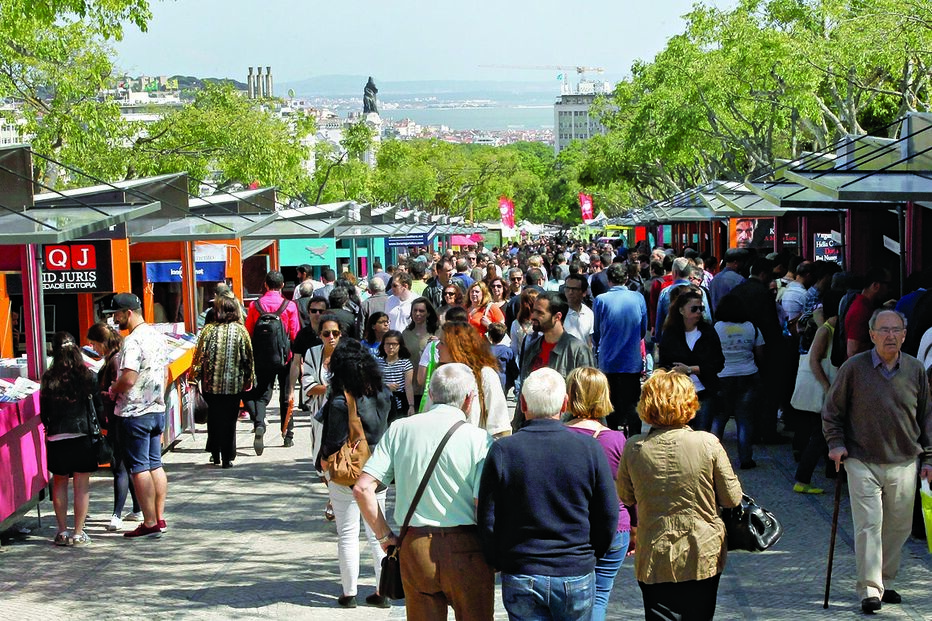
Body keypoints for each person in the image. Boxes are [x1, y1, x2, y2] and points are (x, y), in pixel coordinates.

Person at [354, 364, 496, 621]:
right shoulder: (480, 440)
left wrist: (384, 536)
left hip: (415, 545)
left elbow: (363, 488)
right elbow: (481, 505)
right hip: (467, 548)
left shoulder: (400, 429)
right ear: (468, 399)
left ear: (430, 394)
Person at [477, 367, 618, 621]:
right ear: (564, 404)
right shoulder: (589, 448)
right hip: (574, 567)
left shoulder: (503, 451)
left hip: (523, 568)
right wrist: (591, 553)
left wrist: (496, 558)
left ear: (522, 403)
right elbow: (607, 513)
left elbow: (487, 517)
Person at [822, 308, 932, 613]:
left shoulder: (915, 369)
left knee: (898, 527)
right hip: (861, 458)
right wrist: (835, 444)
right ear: (872, 335)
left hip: (904, 459)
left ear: (905, 335)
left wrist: (929, 458)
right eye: (884, 330)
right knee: (869, 524)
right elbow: (832, 411)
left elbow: (927, 417)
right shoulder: (854, 368)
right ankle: (869, 589)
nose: (891, 336)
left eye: (896, 330)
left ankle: (885, 579)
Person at [617, 370, 743, 621]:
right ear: (689, 403)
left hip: (655, 553)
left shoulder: (634, 447)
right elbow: (732, 498)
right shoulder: (707, 443)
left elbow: (625, 496)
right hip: (701, 552)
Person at [316, 339, 392, 609]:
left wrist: (324, 463)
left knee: (347, 533)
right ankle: (382, 592)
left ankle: (348, 593)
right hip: (378, 471)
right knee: (377, 533)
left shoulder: (340, 400)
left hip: (348, 473)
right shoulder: (383, 393)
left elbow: (332, 443)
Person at [563, 367, 632, 621]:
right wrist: (634, 527)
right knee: (599, 596)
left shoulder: (558, 435)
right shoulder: (616, 440)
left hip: (570, 528)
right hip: (614, 528)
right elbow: (627, 490)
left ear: (569, 395)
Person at [104, 293, 170, 539]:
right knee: (156, 464)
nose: (115, 319)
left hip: (135, 412)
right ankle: (159, 517)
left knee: (139, 467)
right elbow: (166, 372)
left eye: (117, 314)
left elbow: (129, 378)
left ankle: (149, 521)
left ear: (128, 313)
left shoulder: (132, 341)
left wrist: (113, 389)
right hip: (156, 409)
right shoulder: (157, 335)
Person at [41, 332, 102, 546]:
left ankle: (61, 531)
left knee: (59, 482)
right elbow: (97, 407)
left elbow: (44, 412)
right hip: (82, 435)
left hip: (57, 436)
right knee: (81, 485)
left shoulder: (48, 378)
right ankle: (78, 533)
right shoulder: (87, 375)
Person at [86, 322, 140, 532]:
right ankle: (137, 508)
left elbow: (118, 389)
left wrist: (104, 393)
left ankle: (116, 514)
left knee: (119, 466)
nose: (93, 348)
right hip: (118, 416)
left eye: (94, 344)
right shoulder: (115, 357)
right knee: (128, 464)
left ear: (102, 343)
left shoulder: (115, 360)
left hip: (118, 417)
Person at [190, 295, 255, 469]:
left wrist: (193, 378)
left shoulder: (208, 330)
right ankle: (227, 457)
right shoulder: (241, 331)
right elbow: (248, 357)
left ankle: (215, 453)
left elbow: (199, 356)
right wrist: (249, 378)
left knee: (214, 417)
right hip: (234, 385)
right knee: (229, 420)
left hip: (211, 384)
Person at [516, 291, 594, 428]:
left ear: (557, 317)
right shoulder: (531, 348)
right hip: (530, 431)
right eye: (534, 311)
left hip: (565, 433)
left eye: (540, 313)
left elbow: (589, 398)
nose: (533, 316)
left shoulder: (578, 351)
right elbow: (523, 393)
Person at [243, 270, 301, 453]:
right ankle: (287, 434)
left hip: (262, 357)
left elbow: (249, 331)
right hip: (286, 357)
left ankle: (260, 423)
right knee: (286, 394)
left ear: (266, 285)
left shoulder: (255, 305)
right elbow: (295, 333)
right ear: (282, 285)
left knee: (261, 394)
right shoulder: (289, 306)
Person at [791, 289, 842, 493]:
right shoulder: (827, 329)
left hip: (826, 390)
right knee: (820, 435)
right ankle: (802, 479)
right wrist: (827, 387)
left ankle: (815, 475)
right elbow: (814, 360)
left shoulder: (827, 326)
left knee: (820, 433)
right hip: (825, 390)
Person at [659, 285, 724, 433]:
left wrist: (690, 369)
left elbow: (718, 363)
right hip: (679, 393)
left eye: (701, 309)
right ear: (682, 310)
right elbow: (663, 363)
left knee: (702, 434)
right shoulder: (671, 334)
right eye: (694, 309)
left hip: (704, 392)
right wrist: (674, 372)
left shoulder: (708, 332)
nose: (698, 312)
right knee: (679, 434)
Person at [593, 263, 648, 434]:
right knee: (632, 403)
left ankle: (612, 438)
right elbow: (643, 329)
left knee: (610, 403)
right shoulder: (638, 297)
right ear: (626, 278)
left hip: (608, 360)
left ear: (608, 280)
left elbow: (597, 331)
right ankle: (634, 438)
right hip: (631, 361)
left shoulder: (600, 300)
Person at [712, 293, 764, 469]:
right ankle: (745, 459)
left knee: (719, 418)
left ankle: (711, 458)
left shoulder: (716, 328)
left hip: (723, 376)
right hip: (748, 375)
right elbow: (760, 354)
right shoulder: (752, 327)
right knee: (744, 419)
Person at [437, 321, 511, 438]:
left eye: (441, 343)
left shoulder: (485, 375)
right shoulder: (440, 374)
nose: (437, 347)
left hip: (474, 450)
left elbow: (500, 425)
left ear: (456, 347)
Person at [302, 314, 343, 519]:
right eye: (327, 333)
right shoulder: (312, 353)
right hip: (319, 414)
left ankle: (335, 499)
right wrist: (330, 389)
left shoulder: (346, 354)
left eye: (335, 333)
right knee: (319, 458)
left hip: (342, 414)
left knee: (337, 455)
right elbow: (308, 385)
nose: (331, 337)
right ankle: (333, 494)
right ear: (320, 335)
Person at [401, 297, 439, 407]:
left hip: (431, 387)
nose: (417, 314)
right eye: (415, 310)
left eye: (421, 311)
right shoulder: (406, 333)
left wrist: (438, 341)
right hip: (411, 388)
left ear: (428, 313)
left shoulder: (436, 331)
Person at [377, 330, 414, 418]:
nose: (390, 347)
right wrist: (385, 387)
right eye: (387, 344)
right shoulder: (377, 362)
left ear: (400, 346)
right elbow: (372, 383)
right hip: (381, 400)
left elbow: (408, 386)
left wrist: (411, 405)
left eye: (394, 344)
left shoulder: (405, 363)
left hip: (399, 401)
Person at [563, 273, 594, 347]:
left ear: (584, 293)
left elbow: (589, 340)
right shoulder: (559, 312)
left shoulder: (588, 313)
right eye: (567, 288)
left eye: (574, 289)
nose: (570, 292)